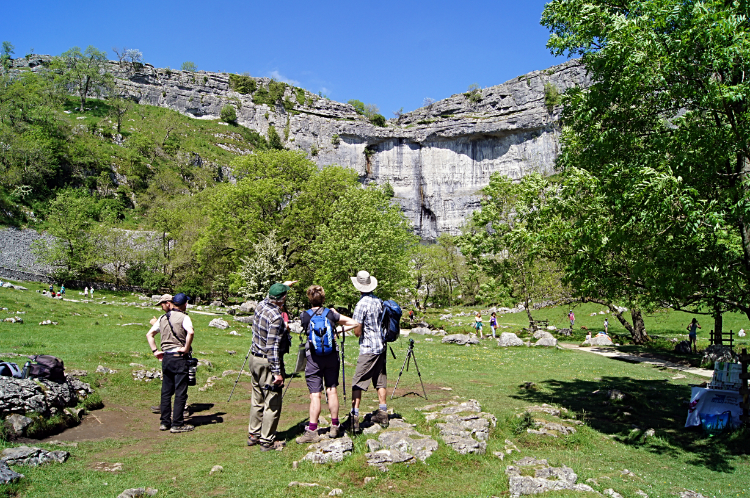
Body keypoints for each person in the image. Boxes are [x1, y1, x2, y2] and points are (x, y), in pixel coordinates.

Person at [295, 285, 359, 444]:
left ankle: (312, 431)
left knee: (315, 394)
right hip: (331, 357)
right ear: (323, 298)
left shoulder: (305, 316)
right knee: (332, 390)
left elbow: (301, 330)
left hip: (313, 359)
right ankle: (335, 426)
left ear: (309, 298)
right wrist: (337, 331)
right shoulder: (330, 314)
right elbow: (355, 323)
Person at [247, 282, 294, 451]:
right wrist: (277, 373)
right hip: (267, 362)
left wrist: (283, 284)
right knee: (272, 401)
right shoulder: (276, 317)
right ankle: (267, 441)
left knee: (257, 398)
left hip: (254, 358)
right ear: (282, 299)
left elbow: (268, 296)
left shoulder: (261, 306)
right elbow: (272, 347)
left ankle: (254, 434)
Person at [344, 270, 387, 432]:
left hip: (368, 347)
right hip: (381, 346)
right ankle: (383, 411)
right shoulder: (378, 301)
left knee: (358, 381)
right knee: (380, 379)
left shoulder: (361, 304)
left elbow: (357, 330)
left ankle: (354, 417)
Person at [146, 293, 195, 433]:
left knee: (166, 391)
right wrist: (186, 348)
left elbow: (149, 334)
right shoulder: (184, 317)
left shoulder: (162, 318)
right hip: (180, 357)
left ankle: (164, 422)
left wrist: (155, 351)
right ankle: (177, 424)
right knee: (180, 392)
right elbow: (190, 332)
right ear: (184, 304)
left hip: (166, 357)